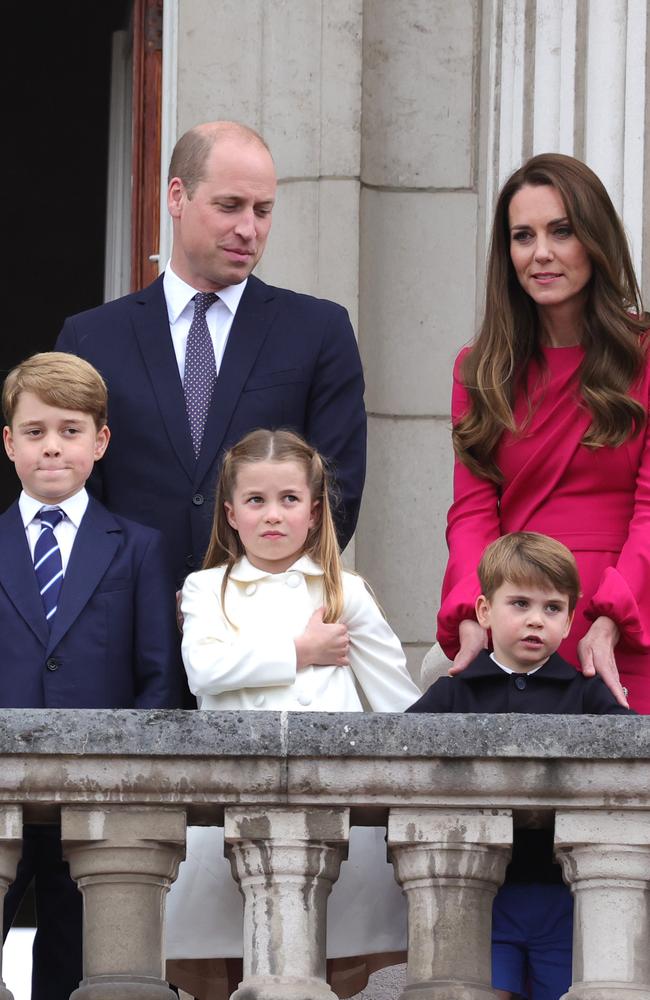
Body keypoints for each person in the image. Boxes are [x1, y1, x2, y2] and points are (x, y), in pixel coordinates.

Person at [164, 428, 421, 999]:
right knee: (229, 963)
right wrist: (300, 653)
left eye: (289, 500)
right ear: (230, 513)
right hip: (228, 809)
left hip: (331, 808)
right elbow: (204, 671)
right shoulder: (206, 589)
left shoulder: (343, 592)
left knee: (325, 965)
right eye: (256, 501)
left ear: (314, 511)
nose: (272, 515)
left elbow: (398, 706)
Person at [56, 121, 366, 591]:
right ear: (177, 197)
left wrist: (257, 597)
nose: (249, 229)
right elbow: (69, 489)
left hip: (265, 631)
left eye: (263, 211)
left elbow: (336, 490)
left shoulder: (319, 331)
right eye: (230, 206)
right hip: (125, 629)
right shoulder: (91, 338)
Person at [437, 152, 650, 712]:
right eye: (522, 236)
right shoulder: (478, 369)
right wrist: (471, 610)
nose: (542, 254)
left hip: (630, 617)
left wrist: (610, 618)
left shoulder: (645, 358)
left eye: (562, 231)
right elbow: (472, 513)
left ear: (595, 240)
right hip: (519, 621)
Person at [0, 352, 182, 1000]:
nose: (53, 447)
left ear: (100, 440)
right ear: (9, 442)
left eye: (70, 430)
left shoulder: (137, 546)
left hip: (98, 795)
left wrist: (130, 778)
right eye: (35, 430)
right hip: (3, 791)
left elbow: (158, 677)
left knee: (80, 963)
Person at [410, 532, 632, 1000]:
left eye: (552, 608)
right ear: (485, 611)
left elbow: (630, 749)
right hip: (479, 891)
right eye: (520, 604)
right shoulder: (457, 691)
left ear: (571, 619)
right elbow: (399, 752)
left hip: (565, 892)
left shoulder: (585, 692)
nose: (536, 620)